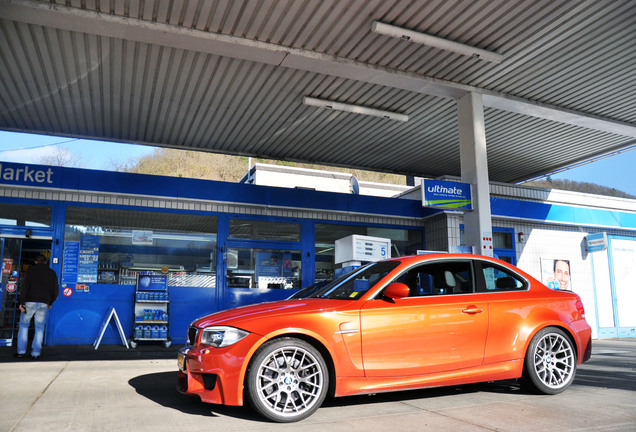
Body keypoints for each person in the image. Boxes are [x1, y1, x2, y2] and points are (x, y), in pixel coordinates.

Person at [16, 255, 59, 359]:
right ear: (45, 262)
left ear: (35, 262)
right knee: (39, 328)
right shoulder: (51, 273)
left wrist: (21, 302)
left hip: (29, 302)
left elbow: (25, 287)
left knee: (24, 326)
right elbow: (56, 291)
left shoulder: (30, 271)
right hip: (44, 303)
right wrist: (50, 302)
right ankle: (35, 354)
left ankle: (21, 352)